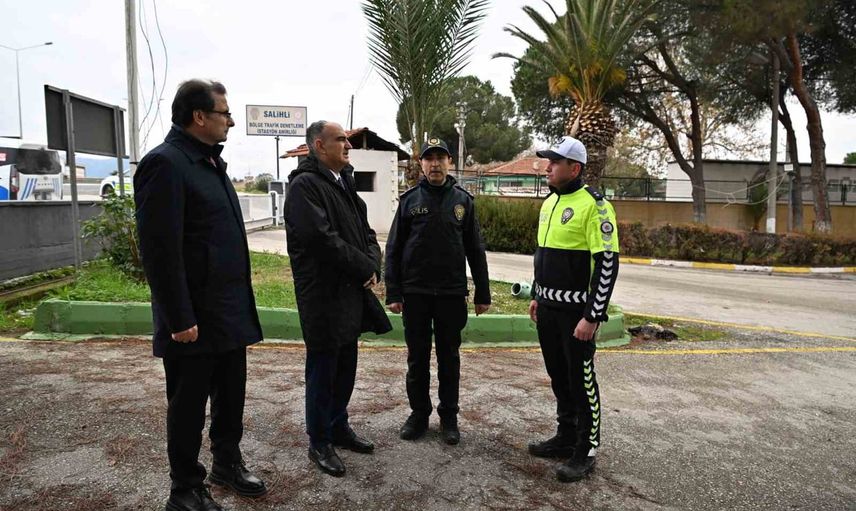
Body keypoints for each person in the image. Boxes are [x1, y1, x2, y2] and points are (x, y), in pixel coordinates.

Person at [135, 79, 267, 511]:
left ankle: (226, 463)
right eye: (224, 113)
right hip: (193, 318)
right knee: (188, 405)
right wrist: (178, 317)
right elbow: (159, 250)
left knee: (230, 396)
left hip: (227, 312)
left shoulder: (209, 162)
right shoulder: (166, 164)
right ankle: (185, 489)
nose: (230, 121)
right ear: (198, 116)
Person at [284, 120, 392, 477]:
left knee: (345, 367)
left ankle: (338, 426)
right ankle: (319, 441)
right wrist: (364, 267)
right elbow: (322, 240)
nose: (348, 145)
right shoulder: (304, 187)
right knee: (323, 371)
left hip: (350, 294)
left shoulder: (343, 181)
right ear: (319, 145)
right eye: (340, 140)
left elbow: (366, 231)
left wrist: (373, 262)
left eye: (348, 139)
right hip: (323, 296)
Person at [385, 138, 491, 445]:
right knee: (417, 359)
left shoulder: (463, 201)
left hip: (450, 294)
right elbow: (393, 249)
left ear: (449, 162)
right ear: (421, 164)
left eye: (440, 158)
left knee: (449, 359)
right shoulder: (409, 201)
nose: (435, 164)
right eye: (429, 158)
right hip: (415, 293)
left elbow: (475, 250)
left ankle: (449, 418)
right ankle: (418, 415)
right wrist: (394, 292)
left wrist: (482, 293)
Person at [527, 136, 620, 482]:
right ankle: (565, 436)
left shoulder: (596, 206)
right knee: (559, 377)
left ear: (575, 168)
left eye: (555, 162)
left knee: (581, 381)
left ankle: (586, 449)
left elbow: (607, 264)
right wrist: (536, 294)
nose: (547, 167)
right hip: (547, 309)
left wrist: (592, 315)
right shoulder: (550, 202)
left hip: (576, 314)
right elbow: (543, 254)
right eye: (548, 161)